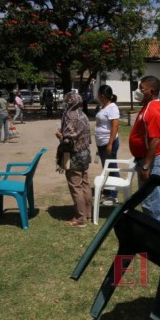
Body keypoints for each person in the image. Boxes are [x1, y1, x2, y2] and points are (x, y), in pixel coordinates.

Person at [129, 75, 160, 221]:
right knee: (146, 200)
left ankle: (157, 235)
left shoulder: (154, 110)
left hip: (150, 162)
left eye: (141, 88)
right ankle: (151, 231)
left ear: (150, 91)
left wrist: (146, 166)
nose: (138, 91)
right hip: (143, 160)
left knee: (152, 202)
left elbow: (155, 140)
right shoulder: (147, 107)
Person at [55, 92, 92, 228]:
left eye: (66, 101)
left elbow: (68, 140)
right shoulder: (83, 115)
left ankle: (80, 218)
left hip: (73, 155)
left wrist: (60, 135)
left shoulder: (70, 116)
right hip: (85, 154)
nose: (65, 103)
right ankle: (88, 213)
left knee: (76, 185)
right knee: (85, 184)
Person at [94, 85, 120, 205]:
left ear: (102, 95)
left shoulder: (112, 107)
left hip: (109, 142)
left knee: (112, 167)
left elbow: (115, 126)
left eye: (99, 93)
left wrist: (110, 143)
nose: (97, 96)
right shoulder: (103, 106)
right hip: (101, 142)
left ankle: (113, 195)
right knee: (106, 168)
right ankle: (108, 191)